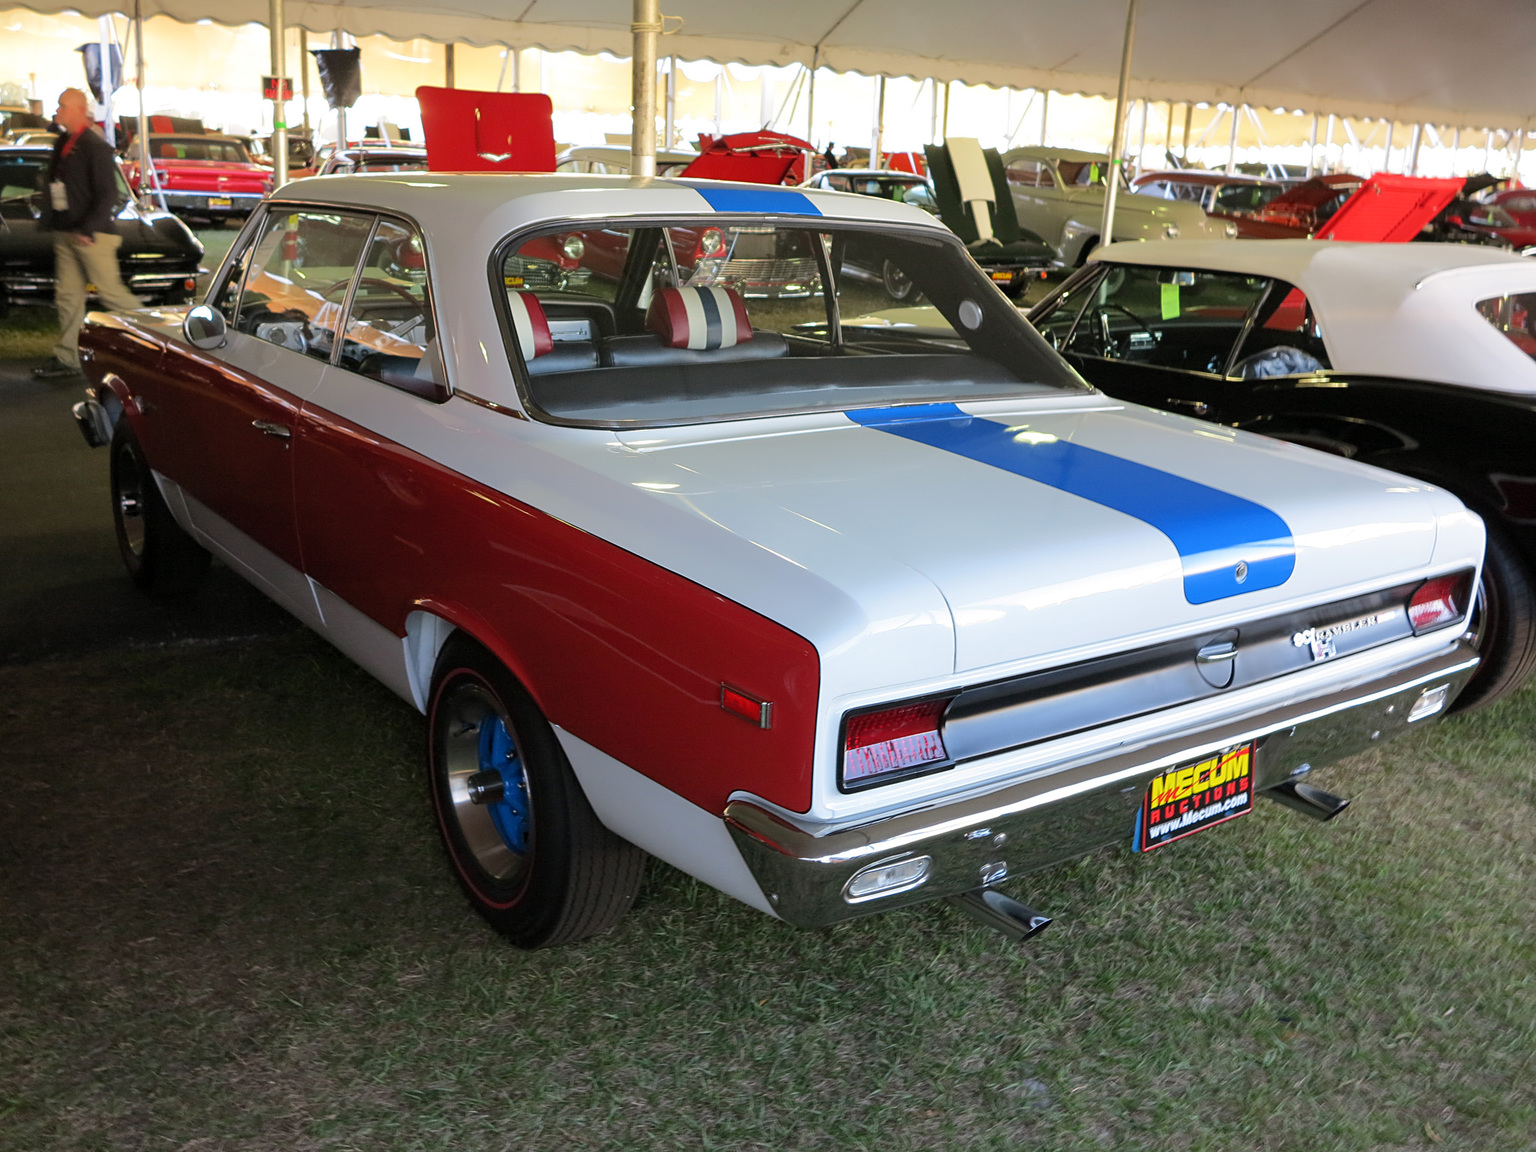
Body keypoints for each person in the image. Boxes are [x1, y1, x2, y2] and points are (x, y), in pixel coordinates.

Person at [31, 88, 141, 380]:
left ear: (80, 110)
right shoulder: (65, 142)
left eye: (63, 106)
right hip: (68, 232)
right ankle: (68, 359)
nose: (57, 111)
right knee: (68, 297)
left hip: (91, 235)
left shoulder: (95, 146)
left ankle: (158, 340)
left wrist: (89, 228)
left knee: (112, 294)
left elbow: (108, 194)